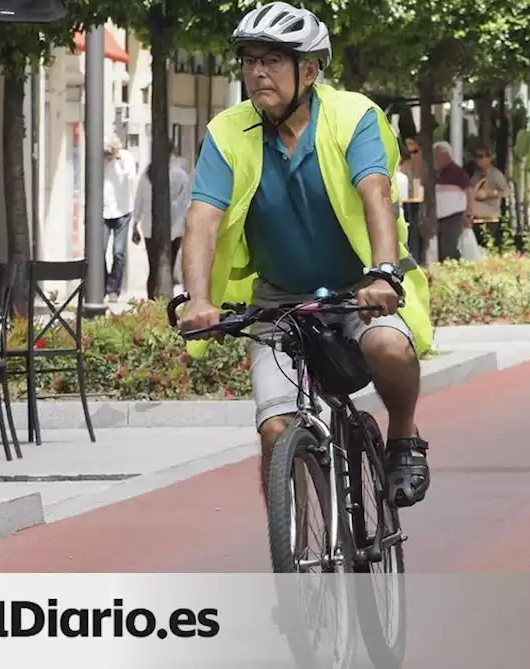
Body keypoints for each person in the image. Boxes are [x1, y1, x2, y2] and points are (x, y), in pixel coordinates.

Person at [176, 1, 434, 509]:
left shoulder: (352, 116)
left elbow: (376, 193)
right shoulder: (228, 131)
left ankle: (404, 435)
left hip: (361, 290)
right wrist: (198, 300)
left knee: (387, 347)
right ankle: (300, 549)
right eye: (250, 60)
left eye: (272, 60)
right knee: (276, 429)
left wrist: (383, 274)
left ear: (310, 70)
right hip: (278, 297)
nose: (257, 72)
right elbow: (202, 219)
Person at [131, 140, 191, 299]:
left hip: (150, 228)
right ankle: (164, 302)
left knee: (153, 267)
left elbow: (139, 200)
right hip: (174, 229)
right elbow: (185, 203)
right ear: (172, 153)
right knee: (168, 268)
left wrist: (135, 224)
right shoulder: (180, 175)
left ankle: (151, 301)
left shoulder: (147, 173)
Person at [103, 135, 138, 302]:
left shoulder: (125, 158)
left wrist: (118, 161)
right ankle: (102, 285)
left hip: (123, 210)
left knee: (118, 252)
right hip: (103, 210)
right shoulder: (100, 160)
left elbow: (131, 177)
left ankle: (113, 289)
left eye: (110, 153)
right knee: (99, 251)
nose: (107, 157)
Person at [432, 141, 474, 262]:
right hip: (440, 218)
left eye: (436, 156)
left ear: (445, 155)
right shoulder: (438, 173)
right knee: (441, 249)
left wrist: (468, 212)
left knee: (450, 249)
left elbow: (469, 190)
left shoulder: (456, 171)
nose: (435, 160)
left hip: (454, 217)